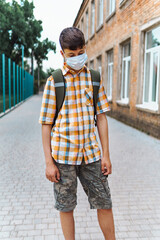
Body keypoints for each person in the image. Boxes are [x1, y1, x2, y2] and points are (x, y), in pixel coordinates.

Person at [39, 27, 116, 240]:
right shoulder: (54, 82)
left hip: (91, 155)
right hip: (63, 158)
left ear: (85, 49)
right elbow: (46, 124)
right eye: (71, 55)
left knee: (104, 202)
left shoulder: (94, 79)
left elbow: (101, 117)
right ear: (62, 53)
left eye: (80, 53)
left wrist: (106, 155)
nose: (77, 58)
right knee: (66, 206)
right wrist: (48, 163)